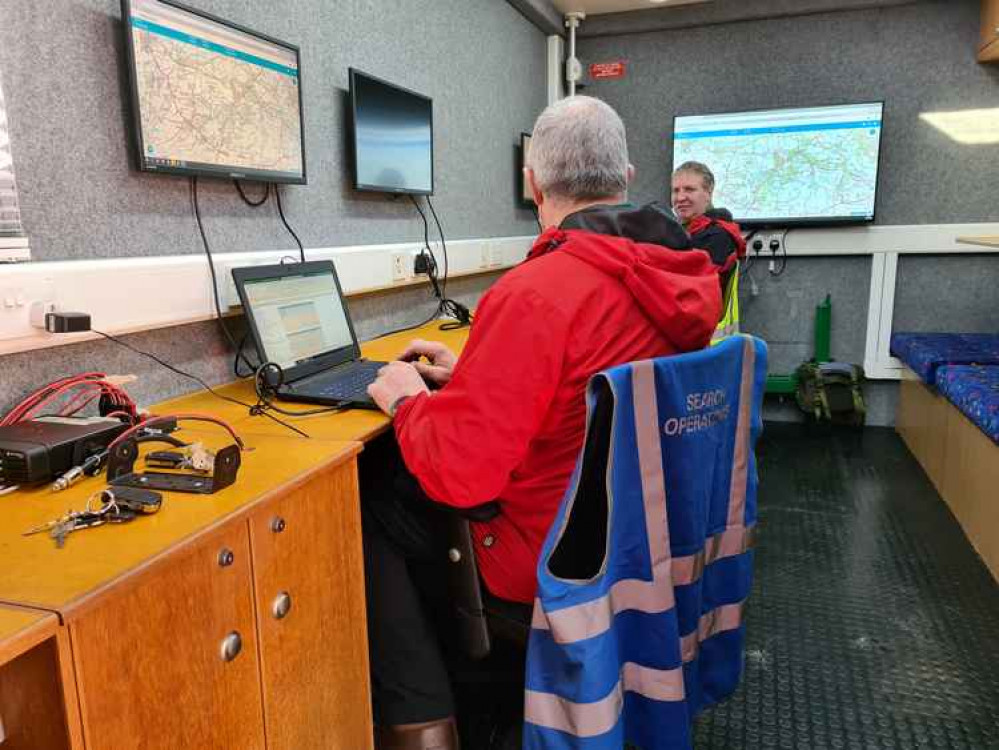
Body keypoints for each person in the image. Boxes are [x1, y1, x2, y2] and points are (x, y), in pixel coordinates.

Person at [362, 96, 722, 750]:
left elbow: (459, 478)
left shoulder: (535, 291)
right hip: (636, 538)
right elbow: (579, 386)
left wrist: (407, 400)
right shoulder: (687, 277)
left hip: (541, 554)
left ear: (533, 184)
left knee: (375, 492)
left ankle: (422, 722)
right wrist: (475, 372)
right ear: (626, 174)